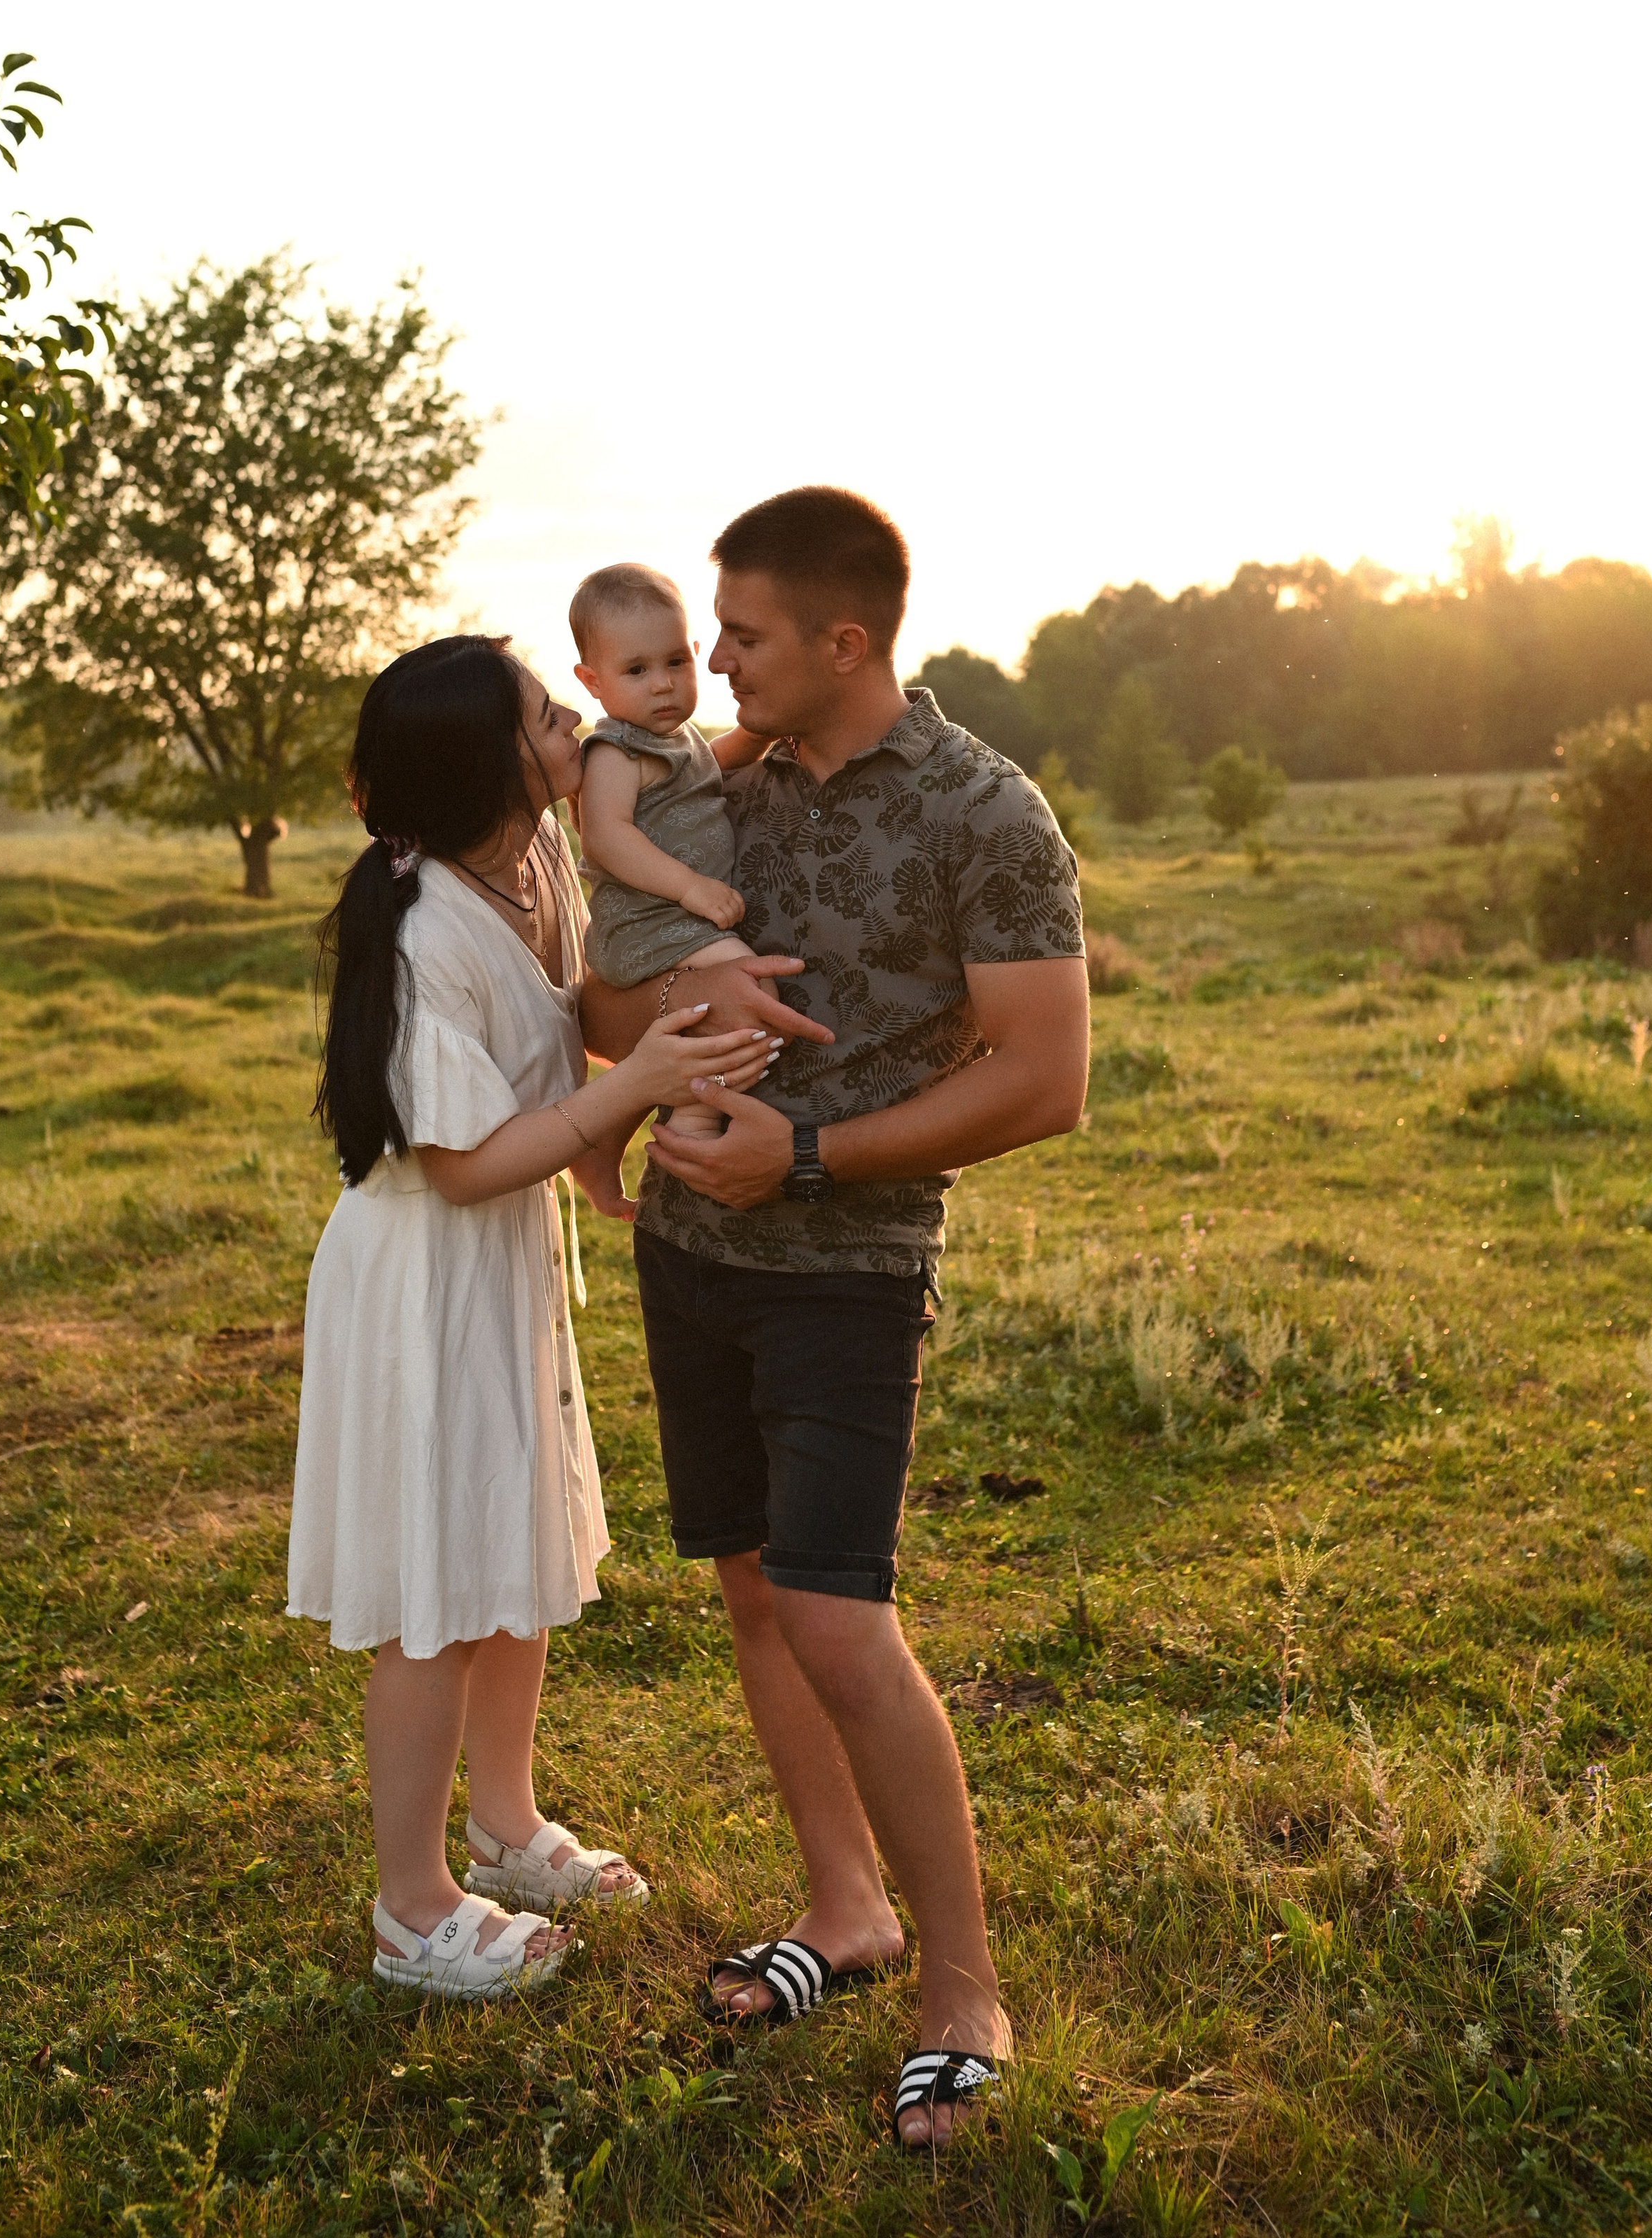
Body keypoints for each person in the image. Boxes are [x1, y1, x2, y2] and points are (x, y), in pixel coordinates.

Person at [581, 490, 1090, 2150]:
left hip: (847, 1266)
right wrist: (672, 1005)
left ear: (842, 640)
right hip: (684, 1248)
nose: (712, 661)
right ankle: (841, 1907)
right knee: (750, 1588)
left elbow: (1044, 1078)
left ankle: (962, 1990)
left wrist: (798, 1154)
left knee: (835, 1613)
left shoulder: (982, 812)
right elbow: (603, 998)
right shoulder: (706, 787)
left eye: (740, 636)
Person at [288, 634, 776, 2001]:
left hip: (500, 1260)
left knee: (510, 1541)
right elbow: (460, 1161)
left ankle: (504, 1823)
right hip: (423, 1277)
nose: (576, 725)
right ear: (485, 769)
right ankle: (412, 1906)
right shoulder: (420, 927)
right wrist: (632, 1090)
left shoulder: (541, 859)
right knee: (433, 1597)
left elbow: (569, 1022)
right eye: (547, 717)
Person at [571, 561, 772, 1154]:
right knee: (747, 987)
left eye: (676, 663)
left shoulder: (675, 740)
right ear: (592, 681)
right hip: (646, 923)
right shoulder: (616, 751)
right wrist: (690, 887)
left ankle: (606, 1141)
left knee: (711, 1004)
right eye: (637, 670)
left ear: (695, 653)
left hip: (676, 922)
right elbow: (605, 835)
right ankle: (693, 1114)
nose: (662, 684)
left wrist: (759, 734)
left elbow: (714, 764)